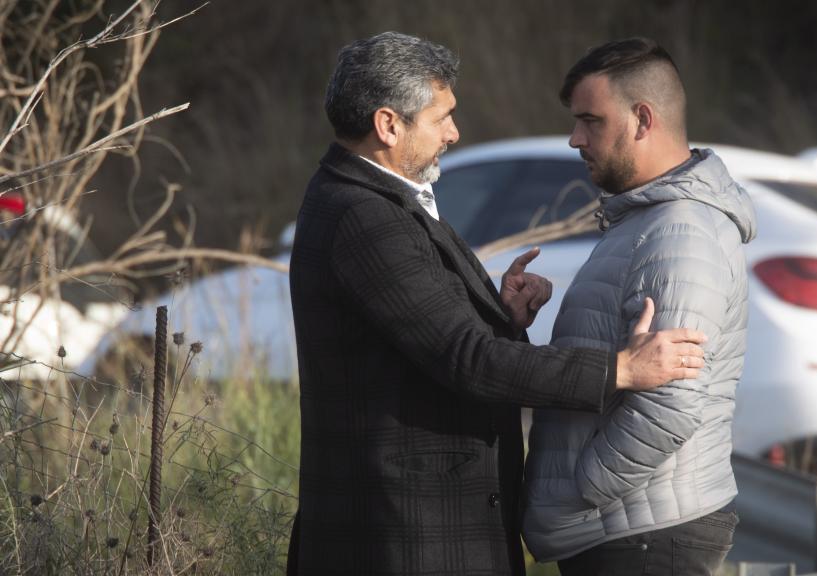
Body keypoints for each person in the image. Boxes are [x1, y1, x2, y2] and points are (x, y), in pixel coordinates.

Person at [286, 32, 710, 576]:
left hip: (420, 529)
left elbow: (427, 342)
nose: (454, 133)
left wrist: (502, 317)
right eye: (441, 117)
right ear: (389, 125)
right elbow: (466, 359)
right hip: (403, 538)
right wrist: (620, 369)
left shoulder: (380, 200)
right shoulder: (364, 216)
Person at [522, 37, 757, 576]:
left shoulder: (679, 232)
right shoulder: (647, 222)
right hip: (632, 530)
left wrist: (587, 487)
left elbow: (671, 403)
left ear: (643, 119)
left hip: (642, 535)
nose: (575, 138)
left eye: (590, 120)